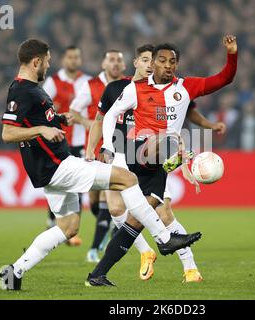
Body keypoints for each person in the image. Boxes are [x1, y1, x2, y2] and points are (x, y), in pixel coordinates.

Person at [0, 39, 202, 290]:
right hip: (59, 167)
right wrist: (43, 129)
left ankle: (14, 273)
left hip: (51, 170)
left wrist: (57, 120)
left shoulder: (32, 90)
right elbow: (8, 133)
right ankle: (164, 239)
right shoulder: (22, 90)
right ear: (36, 61)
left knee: (68, 227)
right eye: (48, 60)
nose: (50, 65)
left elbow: (35, 122)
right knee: (128, 179)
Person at [85, 35, 237, 286]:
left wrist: (231, 54)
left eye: (173, 61)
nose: (168, 65)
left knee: (136, 222)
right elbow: (111, 115)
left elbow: (224, 79)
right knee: (167, 138)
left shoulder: (186, 88)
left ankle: (98, 274)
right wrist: (108, 146)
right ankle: (166, 240)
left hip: (157, 168)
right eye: (162, 60)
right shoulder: (135, 89)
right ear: (152, 64)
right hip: (138, 153)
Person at [69, 50, 126, 262]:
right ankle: (109, 222)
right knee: (93, 199)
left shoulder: (128, 86)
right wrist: (89, 124)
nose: (115, 64)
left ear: (124, 65)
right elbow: (73, 111)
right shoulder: (91, 85)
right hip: (93, 146)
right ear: (104, 63)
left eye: (119, 60)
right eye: (111, 60)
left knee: (106, 192)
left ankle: (94, 249)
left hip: (117, 147)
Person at [41, 45, 92, 247]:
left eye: (76, 57)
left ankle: (70, 229)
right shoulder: (53, 82)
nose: (73, 60)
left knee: (78, 184)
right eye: (70, 57)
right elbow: (42, 106)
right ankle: (53, 221)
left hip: (79, 140)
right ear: (64, 59)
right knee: (57, 183)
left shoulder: (87, 81)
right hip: (58, 141)